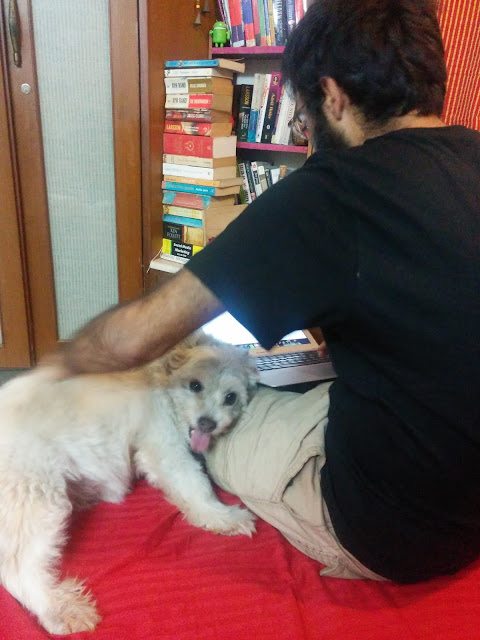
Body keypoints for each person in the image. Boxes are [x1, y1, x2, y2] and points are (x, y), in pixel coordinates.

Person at [50, 0, 480, 584]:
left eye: (302, 113)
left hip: (396, 534)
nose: (304, 129)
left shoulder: (330, 194)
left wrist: (46, 377)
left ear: (332, 97)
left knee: (211, 418)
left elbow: (131, 341)